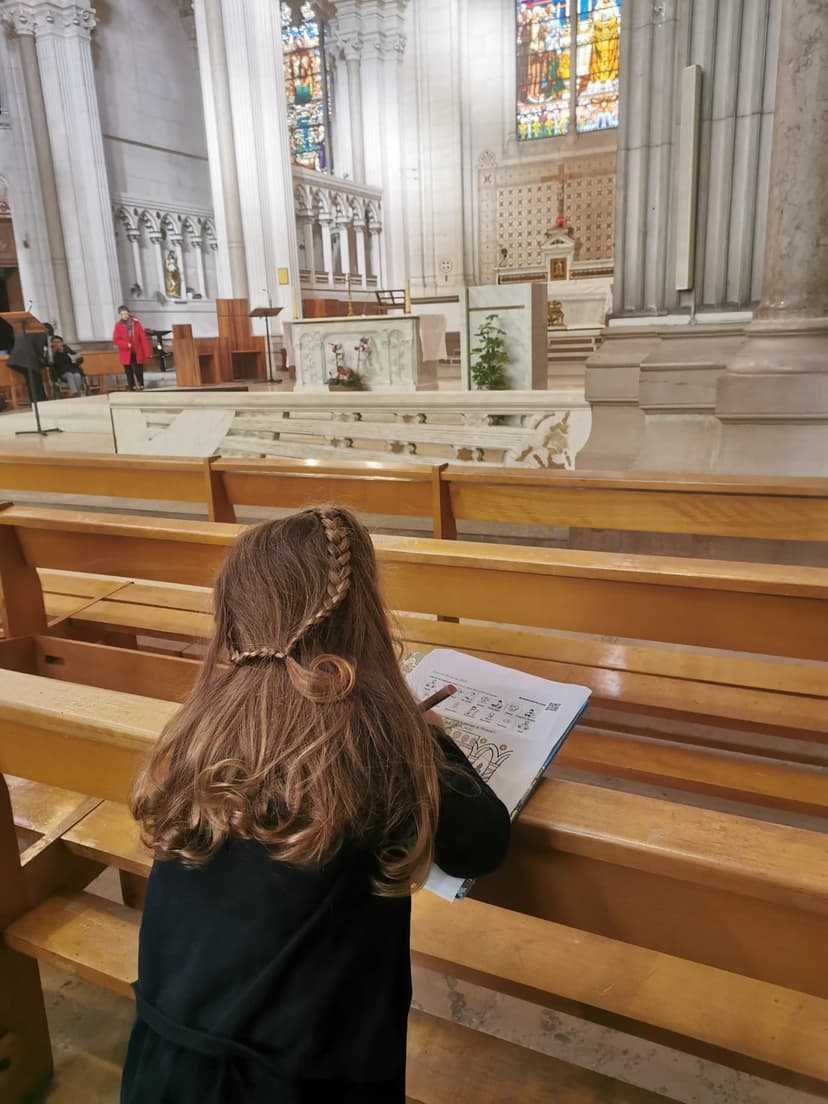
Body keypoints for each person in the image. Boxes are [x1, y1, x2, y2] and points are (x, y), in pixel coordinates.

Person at [122, 506, 511, 1104]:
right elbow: (481, 843)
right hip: (297, 1078)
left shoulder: (203, 724)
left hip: (167, 1055)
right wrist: (426, 732)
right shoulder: (378, 736)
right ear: (364, 619)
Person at [7, 322, 50, 404]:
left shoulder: (28, 333)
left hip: (15, 360)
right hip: (27, 360)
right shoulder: (41, 334)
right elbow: (39, 350)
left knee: (31, 380)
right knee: (35, 379)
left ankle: (36, 400)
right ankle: (40, 400)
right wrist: (44, 360)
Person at [113, 305, 151, 391]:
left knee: (138, 368)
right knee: (128, 370)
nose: (124, 316)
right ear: (120, 315)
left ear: (128, 313)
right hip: (126, 351)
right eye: (122, 314)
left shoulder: (136, 323)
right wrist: (126, 344)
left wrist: (147, 352)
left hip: (136, 350)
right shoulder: (118, 325)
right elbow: (116, 340)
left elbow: (143, 338)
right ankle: (132, 385)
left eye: (126, 313)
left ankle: (141, 384)